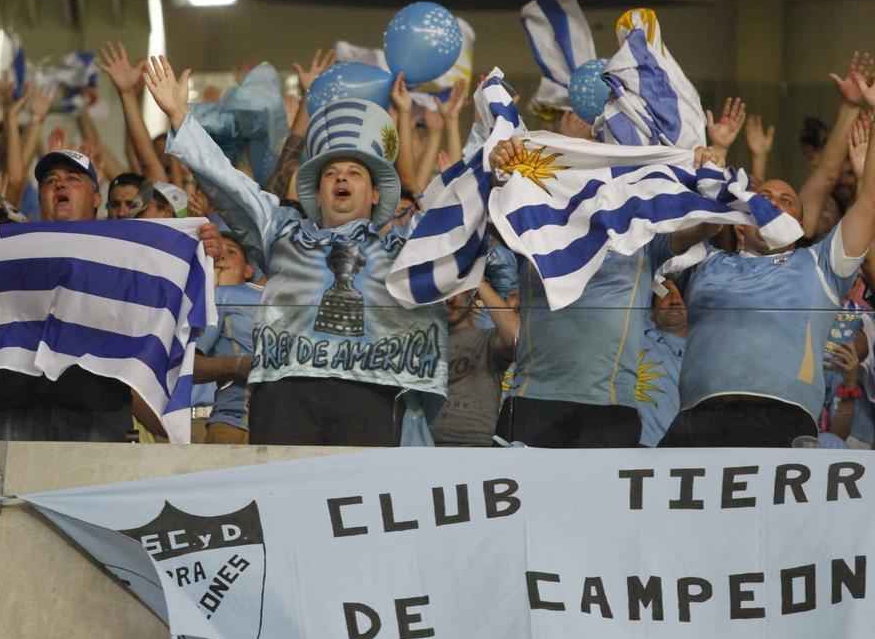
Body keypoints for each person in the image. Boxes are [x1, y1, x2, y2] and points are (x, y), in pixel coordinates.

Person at [144, 55, 447, 447]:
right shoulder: (281, 230)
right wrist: (181, 116)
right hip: (285, 393)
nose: (341, 178)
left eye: (355, 173)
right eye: (331, 174)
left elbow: (459, 232)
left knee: (357, 499)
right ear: (317, 193)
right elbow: (229, 183)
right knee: (281, 501)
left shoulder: (402, 247)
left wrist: (503, 169)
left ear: (374, 194)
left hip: (371, 392)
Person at [660, 51, 875, 447]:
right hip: (695, 424)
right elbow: (673, 231)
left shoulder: (820, 267)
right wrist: (712, 172)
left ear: (800, 225)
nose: (775, 203)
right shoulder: (705, 263)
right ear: (741, 222)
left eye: (787, 200)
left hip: (781, 424)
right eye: (765, 196)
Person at [488, 97, 744, 449]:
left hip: (611, 407)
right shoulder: (537, 227)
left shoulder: (643, 237)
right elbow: (487, 215)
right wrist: (497, 169)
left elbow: (708, 226)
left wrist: (712, 161)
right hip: (534, 399)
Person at [0, 146, 223, 441]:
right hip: (18, 404)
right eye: (49, 180)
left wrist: (200, 251)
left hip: (98, 406)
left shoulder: (127, 253)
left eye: (73, 178)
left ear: (96, 199)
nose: (59, 184)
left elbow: (165, 299)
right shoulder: (13, 247)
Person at [193, 231, 260, 444]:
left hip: (286, 422)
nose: (221, 258)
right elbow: (189, 366)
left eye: (230, 252)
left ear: (249, 270)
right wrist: (239, 365)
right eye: (215, 254)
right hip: (235, 422)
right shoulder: (218, 297)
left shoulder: (281, 297)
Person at [431, 282, 517, 447]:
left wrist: (479, 281)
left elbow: (516, 338)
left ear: (471, 294)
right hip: (425, 444)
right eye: (442, 294)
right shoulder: (425, 344)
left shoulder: (488, 339)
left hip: (475, 444)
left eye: (456, 291)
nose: (449, 299)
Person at [635, 278, 687, 448]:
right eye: (666, 295)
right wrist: (662, 282)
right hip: (631, 445)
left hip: (677, 449)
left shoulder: (700, 350)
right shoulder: (640, 334)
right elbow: (647, 280)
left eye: (680, 297)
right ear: (651, 312)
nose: (675, 300)